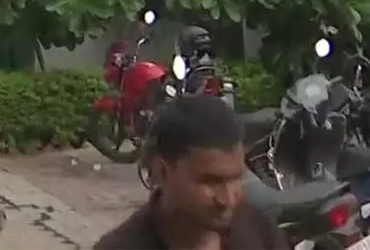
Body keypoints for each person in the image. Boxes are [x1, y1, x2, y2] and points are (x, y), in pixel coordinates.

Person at [95, 95, 288, 250]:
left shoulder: (260, 232)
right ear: (162, 172)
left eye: (236, 178)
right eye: (211, 181)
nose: (228, 199)